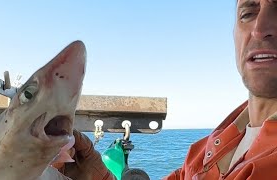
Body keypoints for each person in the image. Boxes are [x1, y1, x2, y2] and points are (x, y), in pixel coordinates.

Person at [51, 0, 277, 179]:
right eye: (248, 13)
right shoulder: (206, 151)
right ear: (235, 35)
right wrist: (95, 177)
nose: (260, 28)